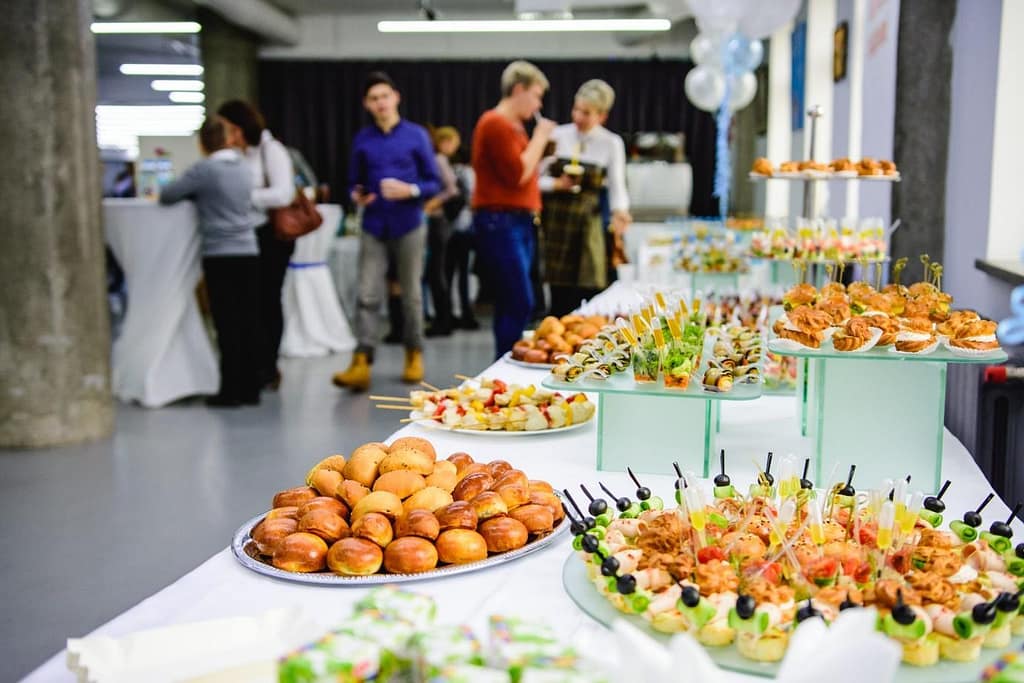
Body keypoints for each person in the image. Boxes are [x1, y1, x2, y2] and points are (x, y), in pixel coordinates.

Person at [332, 71, 441, 392]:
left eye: (385, 96)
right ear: (367, 104)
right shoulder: (362, 139)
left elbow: (434, 182)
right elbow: (353, 182)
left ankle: (414, 352)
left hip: (409, 223)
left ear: (396, 98)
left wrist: (410, 190)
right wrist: (357, 194)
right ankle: (362, 359)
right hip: (374, 223)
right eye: (374, 98)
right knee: (367, 293)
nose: (381, 103)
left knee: (411, 294)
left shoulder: (417, 135)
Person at [159, 118, 261, 407]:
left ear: (202, 143)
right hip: (249, 251)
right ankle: (251, 389)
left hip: (220, 254)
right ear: (228, 139)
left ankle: (231, 391)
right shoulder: (243, 168)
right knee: (248, 321)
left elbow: (168, 195)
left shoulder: (205, 169)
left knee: (226, 324)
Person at [471, 60, 556, 358]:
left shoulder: (513, 127)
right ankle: (506, 369)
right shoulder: (495, 123)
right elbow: (518, 173)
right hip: (502, 221)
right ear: (518, 90)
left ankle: (506, 367)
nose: (538, 104)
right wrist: (541, 137)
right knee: (519, 299)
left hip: (516, 221)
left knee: (515, 300)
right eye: (535, 95)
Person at [217, 100, 296, 392]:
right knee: (250, 303)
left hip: (272, 237)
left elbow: (283, 193)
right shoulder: (236, 154)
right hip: (247, 236)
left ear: (238, 127)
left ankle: (268, 365)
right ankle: (252, 363)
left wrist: (245, 195)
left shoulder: (270, 149)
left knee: (267, 301)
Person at [540, 79, 631, 317]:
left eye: (586, 113)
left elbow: (617, 184)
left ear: (602, 116)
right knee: (558, 288)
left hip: (589, 221)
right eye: (576, 110)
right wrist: (556, 184)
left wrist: (620, 212)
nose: (579, 117)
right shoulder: (557, 136)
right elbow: (533, 179)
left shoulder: (611, 142)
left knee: (590, 281)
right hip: (557, 223)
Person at [423, 126, 463, 337]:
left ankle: (443, 320)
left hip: (436, 221)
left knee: (436, 271)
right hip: (435, 221)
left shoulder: (437, 160)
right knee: (436, 271)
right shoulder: (436, 159)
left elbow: (452, 190)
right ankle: (442, 318)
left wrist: (431, 204)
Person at [446, 162, 478, 330]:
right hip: (464, 226)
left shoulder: (451, 168)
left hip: (451, 226)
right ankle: (463, 311)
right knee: (463, 273)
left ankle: (453, 312)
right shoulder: (467, 172)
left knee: (449, 273)